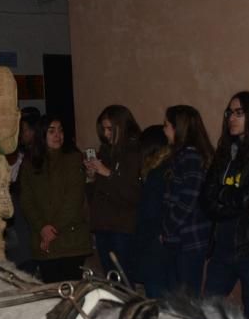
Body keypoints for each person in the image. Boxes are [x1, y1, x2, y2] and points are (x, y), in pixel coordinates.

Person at [200, 91, 249, 318]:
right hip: (222, 246)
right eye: (229, 113)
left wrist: (222, 195)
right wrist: (229, 195)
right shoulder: (225, 151)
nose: (231, 118)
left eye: (239, 113)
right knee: (207, 309)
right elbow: (206, 197)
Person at [18, 115, 92, 282]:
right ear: (42, 135)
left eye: (60, 131)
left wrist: (53, 230)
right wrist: (42, 228)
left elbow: (74, 199)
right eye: (51, 131)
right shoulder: (30, 163)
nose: (57, 135)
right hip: (43, 240)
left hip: (70, 238)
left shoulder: (73, 158)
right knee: (51, 292)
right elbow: (26, 200)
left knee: (72, 291)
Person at [161, 105, 215, 295]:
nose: (164, 129)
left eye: (166, 125)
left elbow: (188, 199)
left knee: (186, 300)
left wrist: (167, 227)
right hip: (181, 238)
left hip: (189, 239)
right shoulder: (182, 155)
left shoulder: (191, 155)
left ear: (179, 128)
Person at [84, 105, 142, 281]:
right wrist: (91, 177)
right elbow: (96, 193)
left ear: (122, 126)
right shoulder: (106, 150)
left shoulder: (134, 151)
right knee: (110, 278)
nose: (106, 134)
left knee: (125, 278)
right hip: (103, 225)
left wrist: (107, 173)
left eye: (110, 129)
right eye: (104, 129)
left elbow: (133, 194)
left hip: (122, 226)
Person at [134, 125, 173, 298]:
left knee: (157, 295)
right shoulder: (162, 169)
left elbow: (150, 211)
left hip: (154, 243)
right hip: (158, 241)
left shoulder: (158, 173)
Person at [5, 107, 41, 274]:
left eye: (24, 130)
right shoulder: (19, 156)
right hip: (17, 218)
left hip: (27, 217)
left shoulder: (33, 158)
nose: (21, 135)